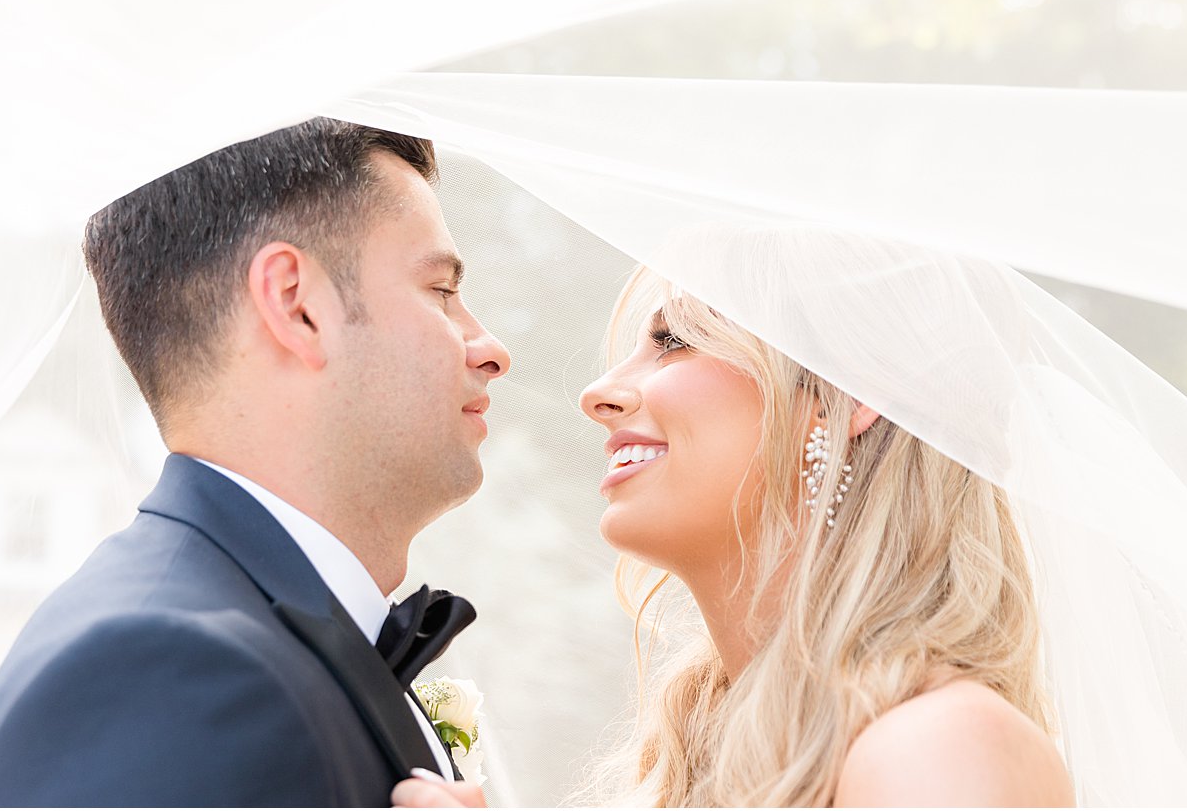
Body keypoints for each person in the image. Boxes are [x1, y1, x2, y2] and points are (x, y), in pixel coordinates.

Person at [0, 118, 510, 807]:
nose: (489, 347)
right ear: (296, 305)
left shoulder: (235, 640)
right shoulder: (160, 673)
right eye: (442, 291)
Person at [394, 256, 1077, 808]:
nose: (597, 392)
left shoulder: (940, 747)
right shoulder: (704, 755)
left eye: (673, 340)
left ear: (845, 394)